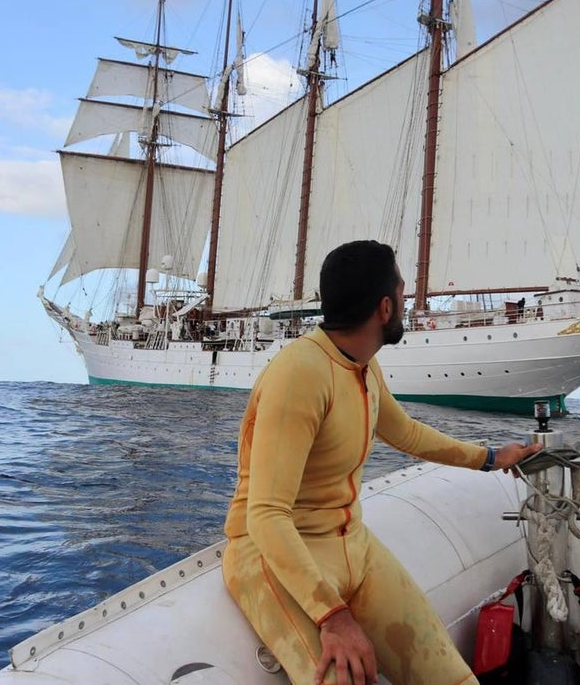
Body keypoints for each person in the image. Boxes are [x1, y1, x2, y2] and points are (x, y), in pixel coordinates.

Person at [222, 240, 541, 685]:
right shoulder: (298, 374)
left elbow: (406, 432)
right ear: (385, 307)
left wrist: (490, 458)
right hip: (275, 555)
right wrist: (333, 617)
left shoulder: (363, 366)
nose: (409, 302)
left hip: (353, 544)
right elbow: (267, 514)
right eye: (404, 294)